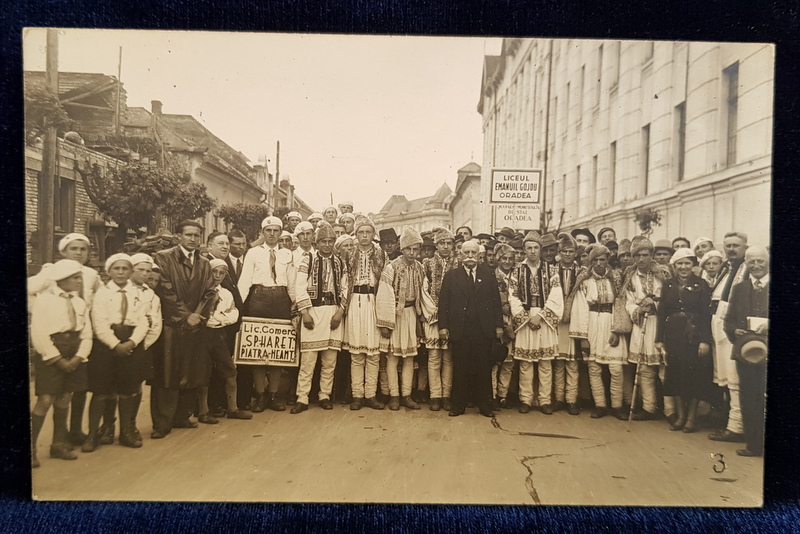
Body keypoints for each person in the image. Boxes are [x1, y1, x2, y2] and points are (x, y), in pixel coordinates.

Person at [28, 233, 101, 446]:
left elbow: (95, 302)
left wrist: (81, 352)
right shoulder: (51, 273)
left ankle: (68, 437)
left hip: (77, 337)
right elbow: (31, 293)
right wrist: (36, 306)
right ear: (64, 251)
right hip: (54, 339)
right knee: (48, 396)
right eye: (73, 249)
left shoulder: (91, 276)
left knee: (71, 394)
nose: (78, 253)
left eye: (83, 249)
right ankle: (33, 446)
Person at [151, 221, 217, 439]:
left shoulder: (205, 263)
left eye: (196, 235)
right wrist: (185, 315)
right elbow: (165, 290)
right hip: (172, 323)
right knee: (167, 374)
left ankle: (182, 416)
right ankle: (162, 422)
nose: (192, 239)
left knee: (191, 371)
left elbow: (209, 292)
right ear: (178, 236)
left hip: (194, 325)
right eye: (188, 235)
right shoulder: (163, 257)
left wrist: (197, 315)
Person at [29, 259, 92, 467]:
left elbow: (86, 332)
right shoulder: (45, 300)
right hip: (52, 353)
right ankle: (30, 448)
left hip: (74, 352)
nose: (79, 281)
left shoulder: (79, 302)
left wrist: (79, 357)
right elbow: (38, 333)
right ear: (61, 279)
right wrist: (56, 358)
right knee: (46, 399)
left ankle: (58, 444)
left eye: (79, 277)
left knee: (65, 398)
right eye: (75, 278)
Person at [84, 253, 149, 451]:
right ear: (109, 271)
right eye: (116, 269)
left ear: (131, 271)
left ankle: (127, 431)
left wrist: (132, 342)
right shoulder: (102, 294)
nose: (121, 272)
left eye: (125, 269)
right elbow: (99, 323)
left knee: (129, 390)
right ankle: (95, 433)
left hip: (131, 343)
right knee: (102, 391)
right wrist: (115, 344)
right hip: (107, 345)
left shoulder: (138, 293)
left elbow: (144, 320)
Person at [438, 240, 504, 417]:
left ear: (479, 255)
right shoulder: (452, 276)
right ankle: (458, 405)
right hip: (460, 330)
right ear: (460, 254)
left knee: (483, 367)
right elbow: (443, 303)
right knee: (460, 367)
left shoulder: (488, 275)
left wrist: (498, 325)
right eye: (466, 253)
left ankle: (485, 406)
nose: (469, 256)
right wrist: (443, 327)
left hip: (483, 330)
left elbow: (496, 302)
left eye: (473, 253)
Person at [238, 216, 297, 413]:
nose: (272, 234)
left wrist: (295, 304)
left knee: (278, 348)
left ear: (281, 233)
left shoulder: (288, 254)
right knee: (259, 346)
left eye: (276, 231)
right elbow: (245, 279)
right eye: (268, 231)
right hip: (259, 298)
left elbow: (292, 281)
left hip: (280, 298)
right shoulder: (253, 253)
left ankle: (273, 395)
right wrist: (238, 305)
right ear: (262, 233)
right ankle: (260, 395)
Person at [292, 222, 349, 414]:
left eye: (330, 241)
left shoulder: (340, 261)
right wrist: (305, 312)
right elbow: (299, 286)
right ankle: (302, 396)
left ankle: (324, 395)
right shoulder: (307, 259)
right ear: (317, 242)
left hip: (333, 310)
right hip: (313, 311)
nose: (326, 244)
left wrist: (340, 312)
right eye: (323, 241)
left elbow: (345, 287)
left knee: (330, 360)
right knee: (308, 360)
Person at [377, 226, 434, 411]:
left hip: (411, 315)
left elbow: (424, 293)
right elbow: (384, 295)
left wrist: (425, 316)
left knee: (409, 357)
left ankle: (406, 395)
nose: (412, 253)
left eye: (416, 249)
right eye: (408, 249)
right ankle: (394, 395)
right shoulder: (391, 268)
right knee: (393, 357)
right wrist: (385, 323)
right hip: (395, 315)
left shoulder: (419, 268)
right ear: (401, 249)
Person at [655, 248, 713, 433]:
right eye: (680, 263)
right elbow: (661, 312)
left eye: (687, 263)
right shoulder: (668, 284)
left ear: (693, 265)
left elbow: (706, 315)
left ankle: (691, 418)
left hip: (693, 336)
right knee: (675, 375)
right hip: (673, 335)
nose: (683, 267)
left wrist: (705, 340)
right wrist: (659, 339)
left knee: (693, 375)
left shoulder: (701, 285)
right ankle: (680, 416)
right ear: (674, 265)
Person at [508, 232, 564, 415]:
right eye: (529, 248)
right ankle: (526, 399)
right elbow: (513, 296)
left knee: (545, 362)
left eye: (536, 248)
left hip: (544, 318)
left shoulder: (551, 270)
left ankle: (545, 400)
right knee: (525, 362)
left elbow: (556, 295)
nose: (532, 251)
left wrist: (540, 316)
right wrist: (525, 317)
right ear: (524, 250)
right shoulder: (517, 271)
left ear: (541, 250)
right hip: (525, 319)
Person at [570, 245, 629, 419]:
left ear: (607, 260)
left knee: (616, 368)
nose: (598, 263)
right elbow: (580, 308)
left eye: (602, 259)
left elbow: (621, 304)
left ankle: (617, 405)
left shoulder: (616, 278)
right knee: (594, 367)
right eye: (595, 260)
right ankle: (600, 405)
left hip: (611, 322)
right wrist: (583, 337)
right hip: (592, 323)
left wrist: (617, 330)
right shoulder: (585, 280)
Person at [724, 246, 769, 457]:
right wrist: (734, 330)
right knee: (749, 398)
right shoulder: (740, 288)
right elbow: (728, 319)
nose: (756, 265)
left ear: (767, 262)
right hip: (746, 352)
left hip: (770, 352)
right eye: (752, 262)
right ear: (747, 264)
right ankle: (753, 445)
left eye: (760, 261)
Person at [342, 215, 388, 410]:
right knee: (356, 353)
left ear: (373, 234)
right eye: (361, 232)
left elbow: (386, 283)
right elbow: (344, 282)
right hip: (355, 302)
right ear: (356, 234)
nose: (364, 236)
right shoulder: (349, 254)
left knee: (373, 353)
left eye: (368, 232)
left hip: (374, 302)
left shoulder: (381, 254)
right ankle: (357, 396)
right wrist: (343, 306)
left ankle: (370, 394)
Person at [708, 232, 750, 444]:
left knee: (734, 378)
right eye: (728, 246)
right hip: (719, 322)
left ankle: (736, 427)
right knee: (723, 376)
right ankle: (729, 422)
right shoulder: (727, 269)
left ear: (745, 247)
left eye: (736, 245)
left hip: (733, 324)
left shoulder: (747, 269)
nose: (731, 249)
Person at [624, 236, 671, 422]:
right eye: (638, 256)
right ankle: (648, 407)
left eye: (645, 255)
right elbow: (627, 302)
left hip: (661, 324)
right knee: (644, 369)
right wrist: (638, 310)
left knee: (663, 369)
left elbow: (672, 298)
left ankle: (670, 410)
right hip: (641, 323)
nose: (641, 259)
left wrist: (656, 302)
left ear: (651, 255)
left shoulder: (663, 274)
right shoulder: (630, 276)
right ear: (633, 257)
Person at [203, 259, 252, 421]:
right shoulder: (201, 291)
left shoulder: (226, 293)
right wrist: (220, 317)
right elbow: (205, 318)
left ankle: (233, 408)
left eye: (221, 273)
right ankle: (203, 411)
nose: (217, 276)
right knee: (203, 373)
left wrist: (219, 318)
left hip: (219, 335)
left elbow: (234, 314)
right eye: (214, 272)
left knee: (230, 371)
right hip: (202, 335)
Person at [421, 227, 457, 411]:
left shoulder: (458, 264)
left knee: (448, 358)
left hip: (452, 318)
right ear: (436, 244)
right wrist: (433, 311)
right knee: (434, 357)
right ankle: (435, 395)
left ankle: (446, 395)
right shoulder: (427, 264)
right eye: (442, 243)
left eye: (448, 243)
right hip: (433, 316)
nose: (445, 246)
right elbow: (423, 290)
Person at [553, 233, 582, 415]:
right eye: (564, 251)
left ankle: (571, 399)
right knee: (559, 361)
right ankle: (558, 398)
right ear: (559, 252)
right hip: (557, 320)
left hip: (574, 319)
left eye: (571, 251)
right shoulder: (552, 270)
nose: (567, 255)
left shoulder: (581, 272)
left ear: (575, 253)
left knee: (572, 363)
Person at [492, 242, 517, 410]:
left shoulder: (517, 276)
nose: (507, 262)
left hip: (514, 322)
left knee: (509, 362)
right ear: (498, 259)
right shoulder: (491, 276)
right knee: (494, 360)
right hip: (497, 322)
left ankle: (503, 395)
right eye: (504, 258)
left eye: (510, 259)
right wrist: (501, 307)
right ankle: (492, 394)